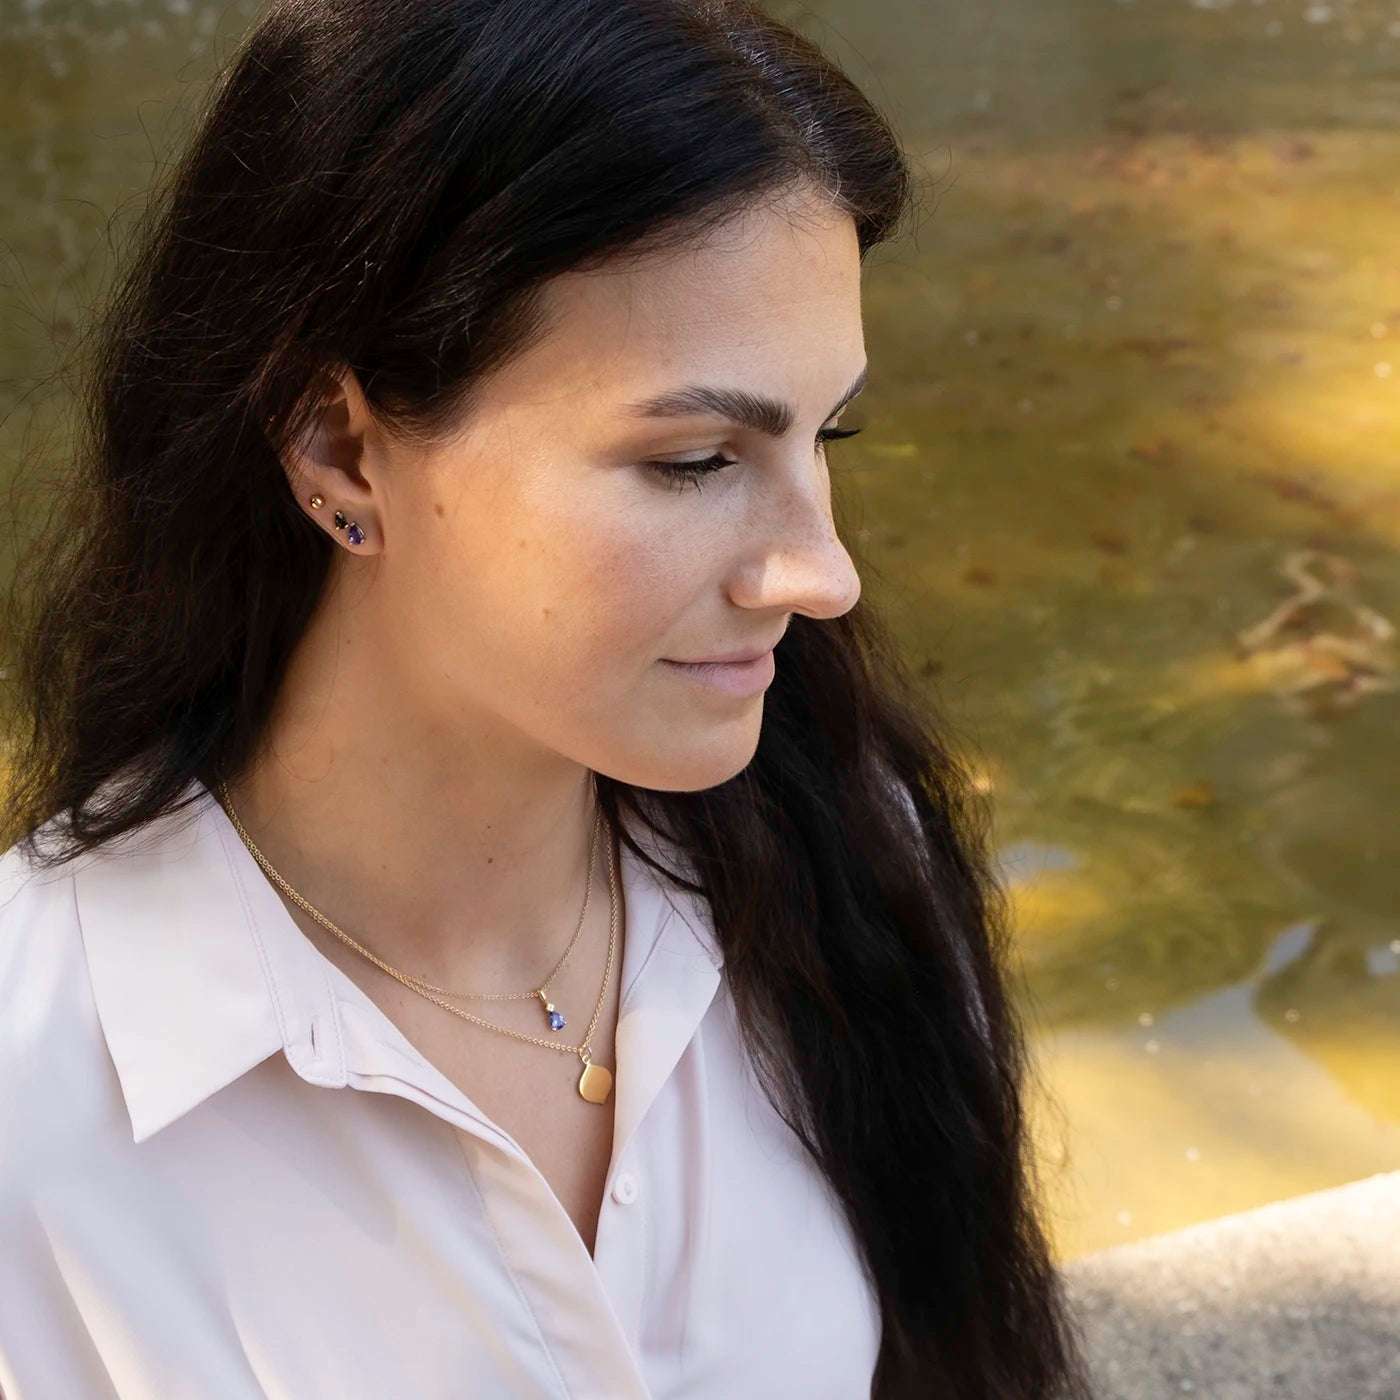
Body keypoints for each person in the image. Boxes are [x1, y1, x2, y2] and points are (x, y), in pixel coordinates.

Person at [0, 1, 1096, 1396]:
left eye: (829, 436)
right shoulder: (37, 1101)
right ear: (339, 446)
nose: (822, 572)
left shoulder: (850, 861)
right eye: (696, 459)